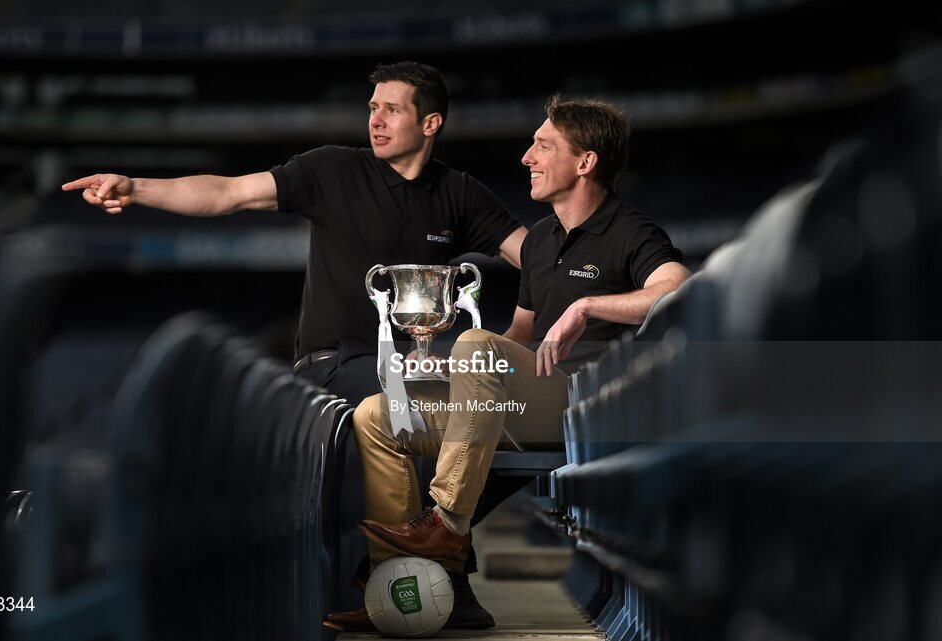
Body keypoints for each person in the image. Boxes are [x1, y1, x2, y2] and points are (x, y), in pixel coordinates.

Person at [62, 61, 526, 630]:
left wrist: (596, 284)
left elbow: (533, 256)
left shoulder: (460, 194)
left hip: (413, 367)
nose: (375, 120)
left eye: (392, 109)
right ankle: (437, 581)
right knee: (408, 409)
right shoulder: (332, 169)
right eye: (372, 107)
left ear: (430, 123)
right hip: (335, 366)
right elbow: (228, 194)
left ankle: (429, 570)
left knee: (498, 413)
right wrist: (137, 188)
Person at [324, 95, 691, 631]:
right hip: (517, 401)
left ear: (585, 162)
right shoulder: (541, 238)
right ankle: (402, 590)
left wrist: (588, 306)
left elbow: (676, 287)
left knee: (475, 343)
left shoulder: (629, 230)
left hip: (580, 404)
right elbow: (517, 335)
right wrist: (444, 370)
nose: (527, 157)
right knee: (377, 417)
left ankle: (447, 523)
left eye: (543, 145)